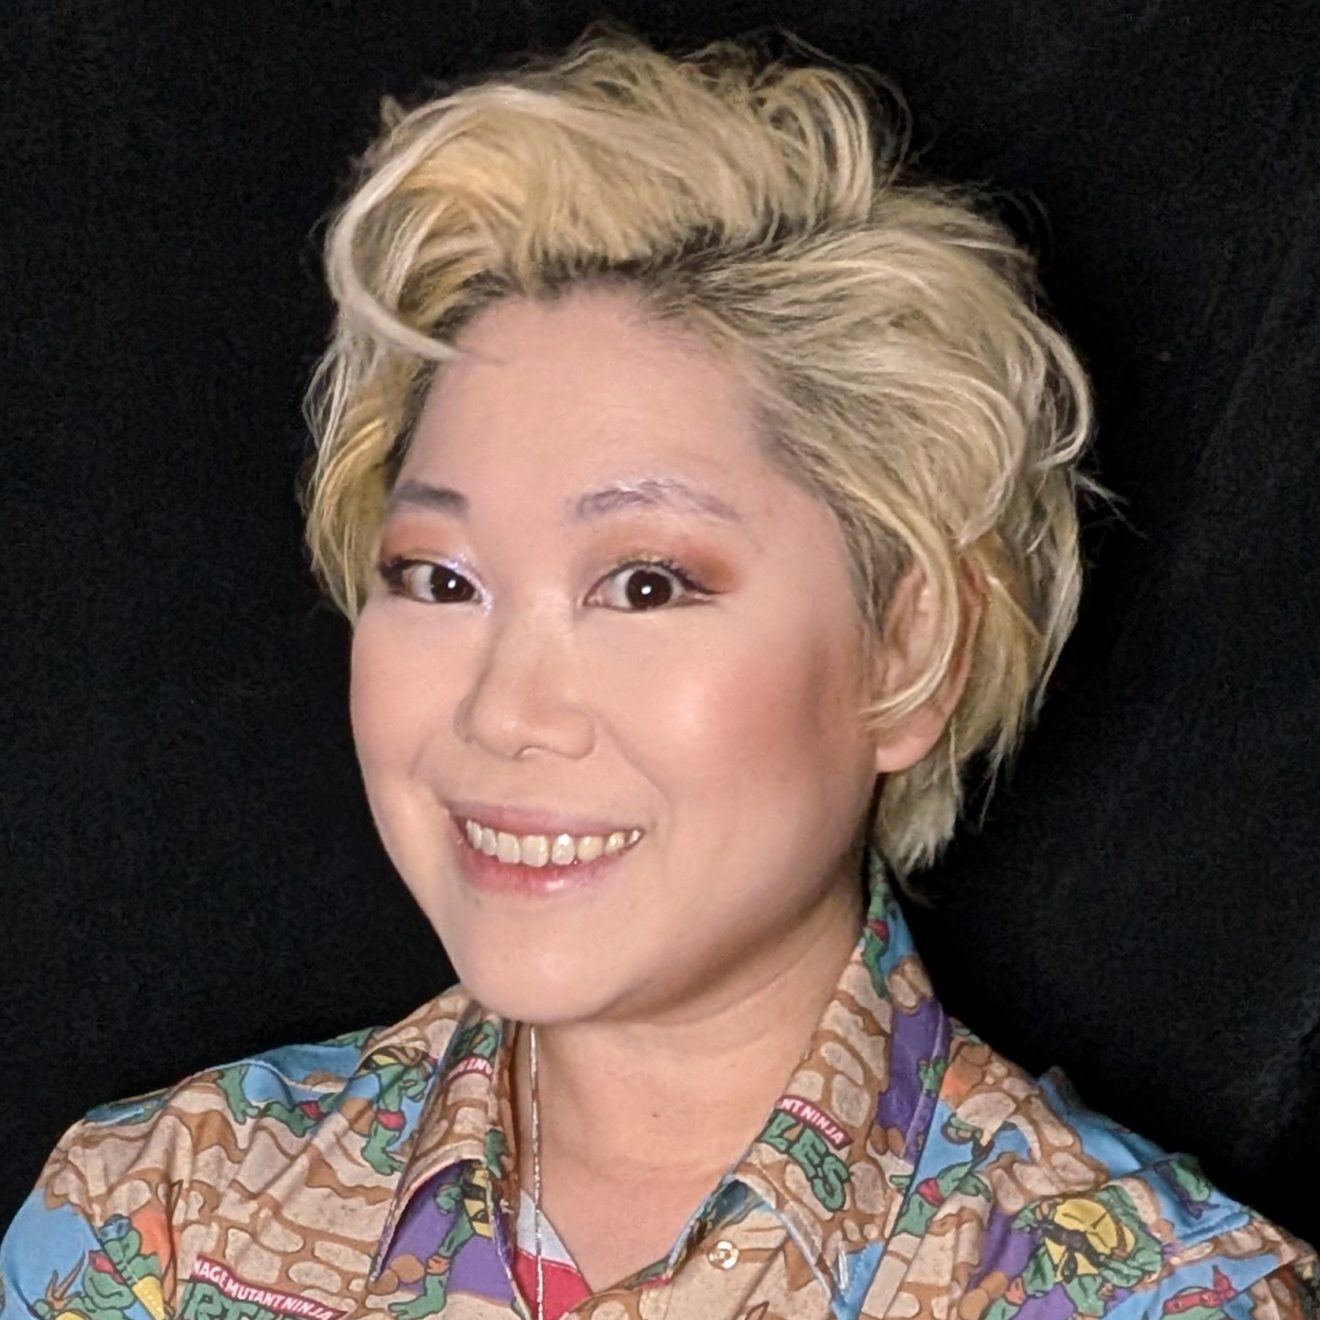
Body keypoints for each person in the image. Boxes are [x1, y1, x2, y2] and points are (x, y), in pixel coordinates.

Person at [2, 20, 1315, 1320]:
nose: (504, 712)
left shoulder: (1156, 1299)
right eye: (440, 580)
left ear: (909, 651)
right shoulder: (156, 1219)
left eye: (644, 583)